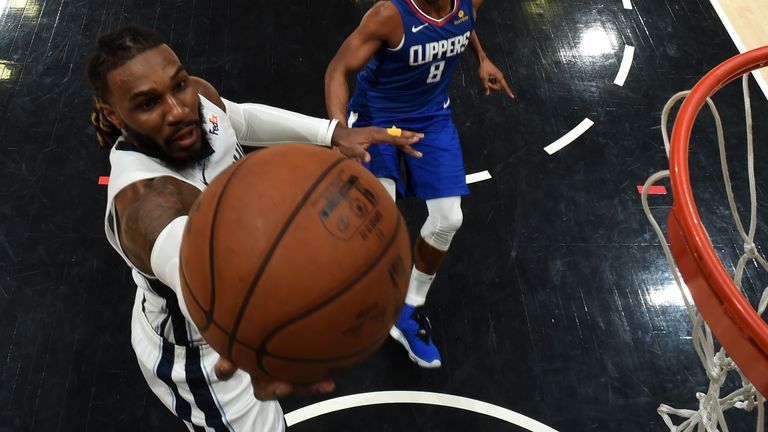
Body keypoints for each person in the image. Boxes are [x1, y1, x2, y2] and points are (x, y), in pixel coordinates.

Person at [87, 25, 423, 431]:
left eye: (178, 85)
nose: (178, 110)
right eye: (148, 103)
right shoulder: (143, 204)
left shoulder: (197, 98)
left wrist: (332, 133)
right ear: (112, 114)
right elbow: (194, 269)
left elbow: (239, 119)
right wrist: (258, 340)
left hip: (249, 308)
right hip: (205, 357)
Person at [325, 0, 514, 368]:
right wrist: (341, 132)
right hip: (377, 116)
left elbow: (464, 24)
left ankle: (409, 311)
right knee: (378, 220)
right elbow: (338, 69)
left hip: (431, 117)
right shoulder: (389, 15)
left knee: (448, 220)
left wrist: (482, 58)